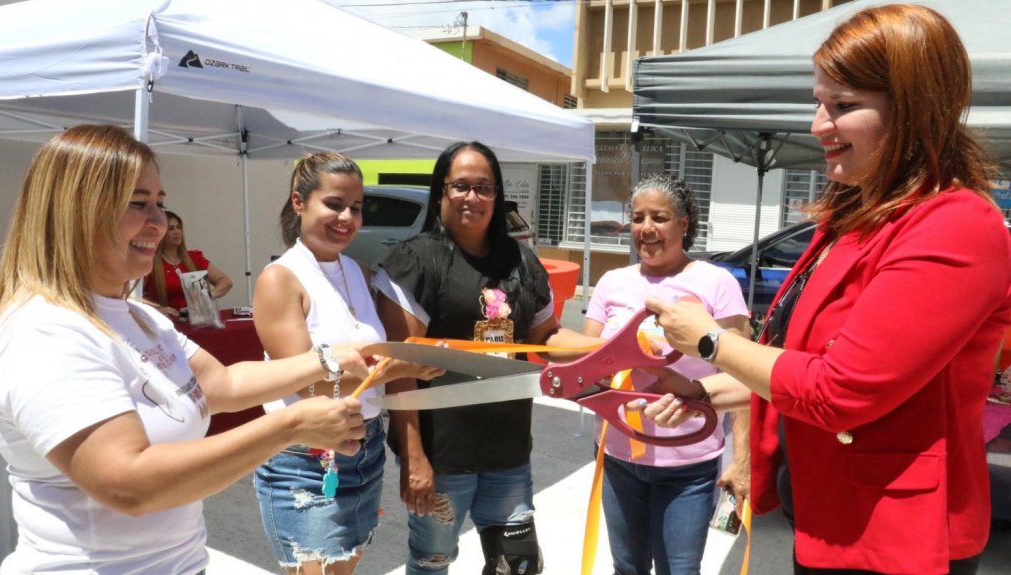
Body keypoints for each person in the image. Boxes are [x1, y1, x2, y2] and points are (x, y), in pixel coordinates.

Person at [634, 5, 1011, 574]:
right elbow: (800, 365)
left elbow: (840, 392)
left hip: (903, 541)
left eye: (842, 106)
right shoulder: (855, 219)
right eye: (819, 103)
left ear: (912, 110)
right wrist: (705, 393)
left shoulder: (956, 225)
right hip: (833, 519)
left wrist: (710, 342)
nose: (818, 125)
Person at [0, 124, 373, 575]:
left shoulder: (136, 314)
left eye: (160, 202)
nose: (160, 222)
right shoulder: (46, 332)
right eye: (138, 203)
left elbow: (220, 383)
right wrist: (289, 427)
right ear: (77, 210)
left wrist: (329, 360)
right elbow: (130, 484)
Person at [374, 141, 587, 575]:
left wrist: (607, 349)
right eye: (461, 186)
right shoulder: (415, 261)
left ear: (497, 194)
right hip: (441, 454)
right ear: (441, 192)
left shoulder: (522, 262)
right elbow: (399, 372)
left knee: (519, 565)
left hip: (507, 450)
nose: (472, 197)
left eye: (484, 187)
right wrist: (414, 459)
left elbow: (546, 337)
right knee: (433, 562)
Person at [251, 152, 443, 575]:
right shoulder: (280, 279)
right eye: (334, 204)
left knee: (345, 568)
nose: (347, 217)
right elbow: (307, 385)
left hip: (364, 446)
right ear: (299, 202)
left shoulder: (357, 270)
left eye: (355, 208)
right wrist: (399, 368)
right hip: (305, 455)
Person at [583, 173, 749, 575]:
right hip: (619, 460)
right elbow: (585, 365)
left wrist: (742, 460)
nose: (646, 229)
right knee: (627, 567)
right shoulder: (612, 283)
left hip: (689, 468)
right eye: (638, 218)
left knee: (680, 571)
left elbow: (744, 376)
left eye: (659, 217)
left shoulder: (716, 282)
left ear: (684, 223)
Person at [143, 209, 233, 320]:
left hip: (197, 321)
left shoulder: (194, 258)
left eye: (179, 227)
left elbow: (225, 281)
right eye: (171, 229)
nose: (177, 232)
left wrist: (209, 296)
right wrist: (157, 310)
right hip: (165, 322)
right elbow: (132, 299)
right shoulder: (148, 262)